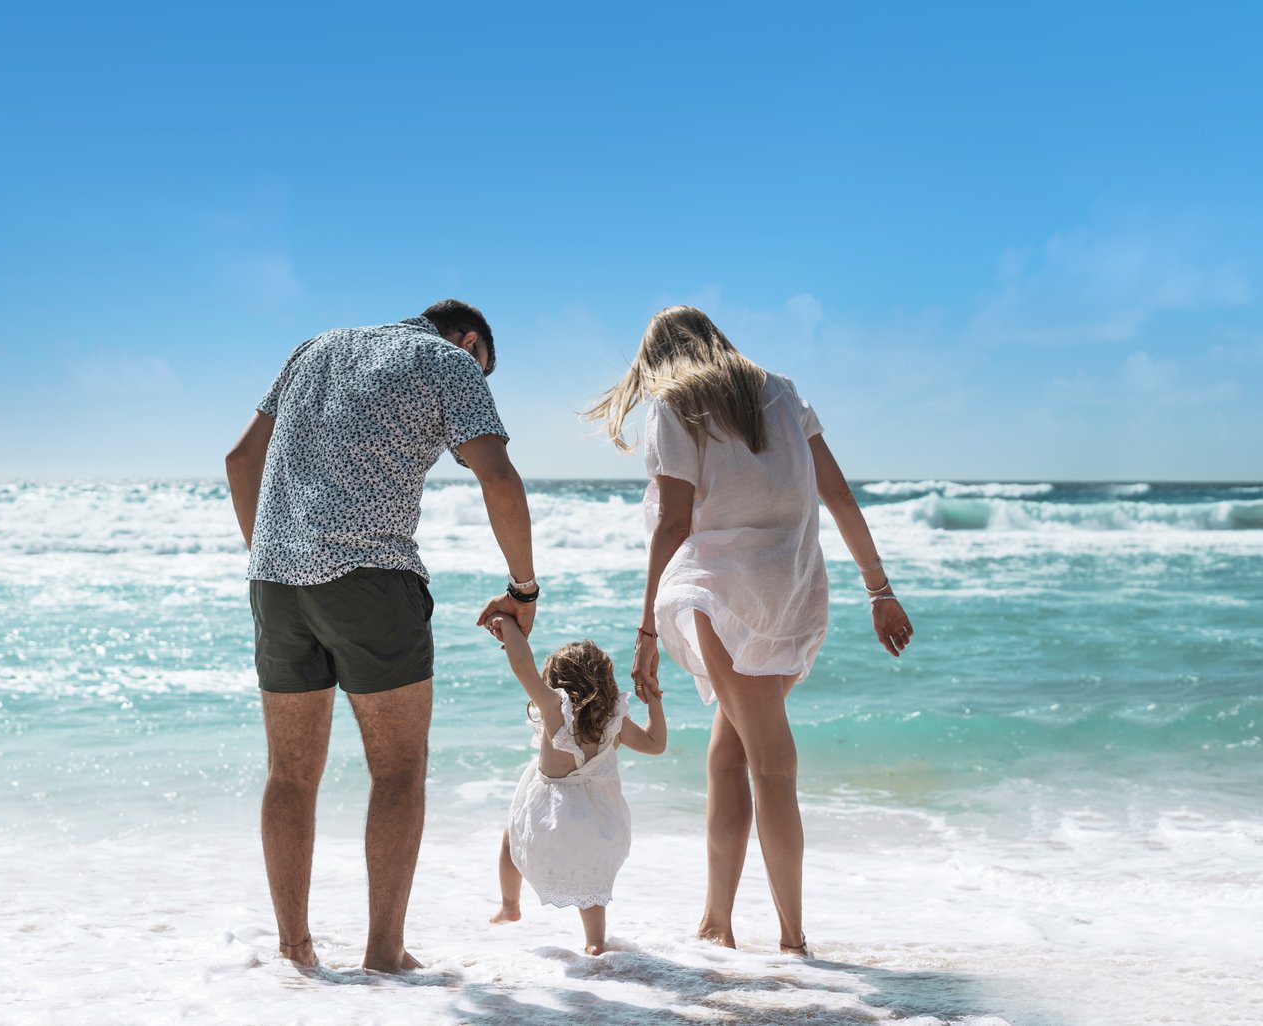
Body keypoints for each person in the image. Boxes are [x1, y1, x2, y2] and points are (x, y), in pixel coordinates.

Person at [224, 300, 541, 973]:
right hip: (372, 578)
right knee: (397, 770)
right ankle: (383, 954)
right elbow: (498, 477)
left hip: (276, 583)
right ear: (470, 340)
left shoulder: (314, 347)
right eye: (483, 367)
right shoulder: (449, 360)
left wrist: (271, 555)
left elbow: (240, 459)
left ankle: (295, 952)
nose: (479, 379)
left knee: (290, 773)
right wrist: (523, 589)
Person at [586, 305, 912, 956]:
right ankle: (717, 923)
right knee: (728, 756)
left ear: (658, 359)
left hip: (724, 592)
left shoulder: (676, 403)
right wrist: (879, 589)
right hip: (794, 588)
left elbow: (673, 523)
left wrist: (648, 630)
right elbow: (840, 496)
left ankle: (793, 940)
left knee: (772, 762)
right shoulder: (783, 393)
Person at [485, 614, 667, 955]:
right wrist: (654, 696)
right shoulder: (615, 722)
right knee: (591, 880)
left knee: (512, 839)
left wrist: (509, 628)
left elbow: (522, 666)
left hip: (550, 821)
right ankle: (596, 942)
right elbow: (656, 744)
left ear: (557, 683)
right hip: (599, 824)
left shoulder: (554, 710)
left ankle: (510, 905)